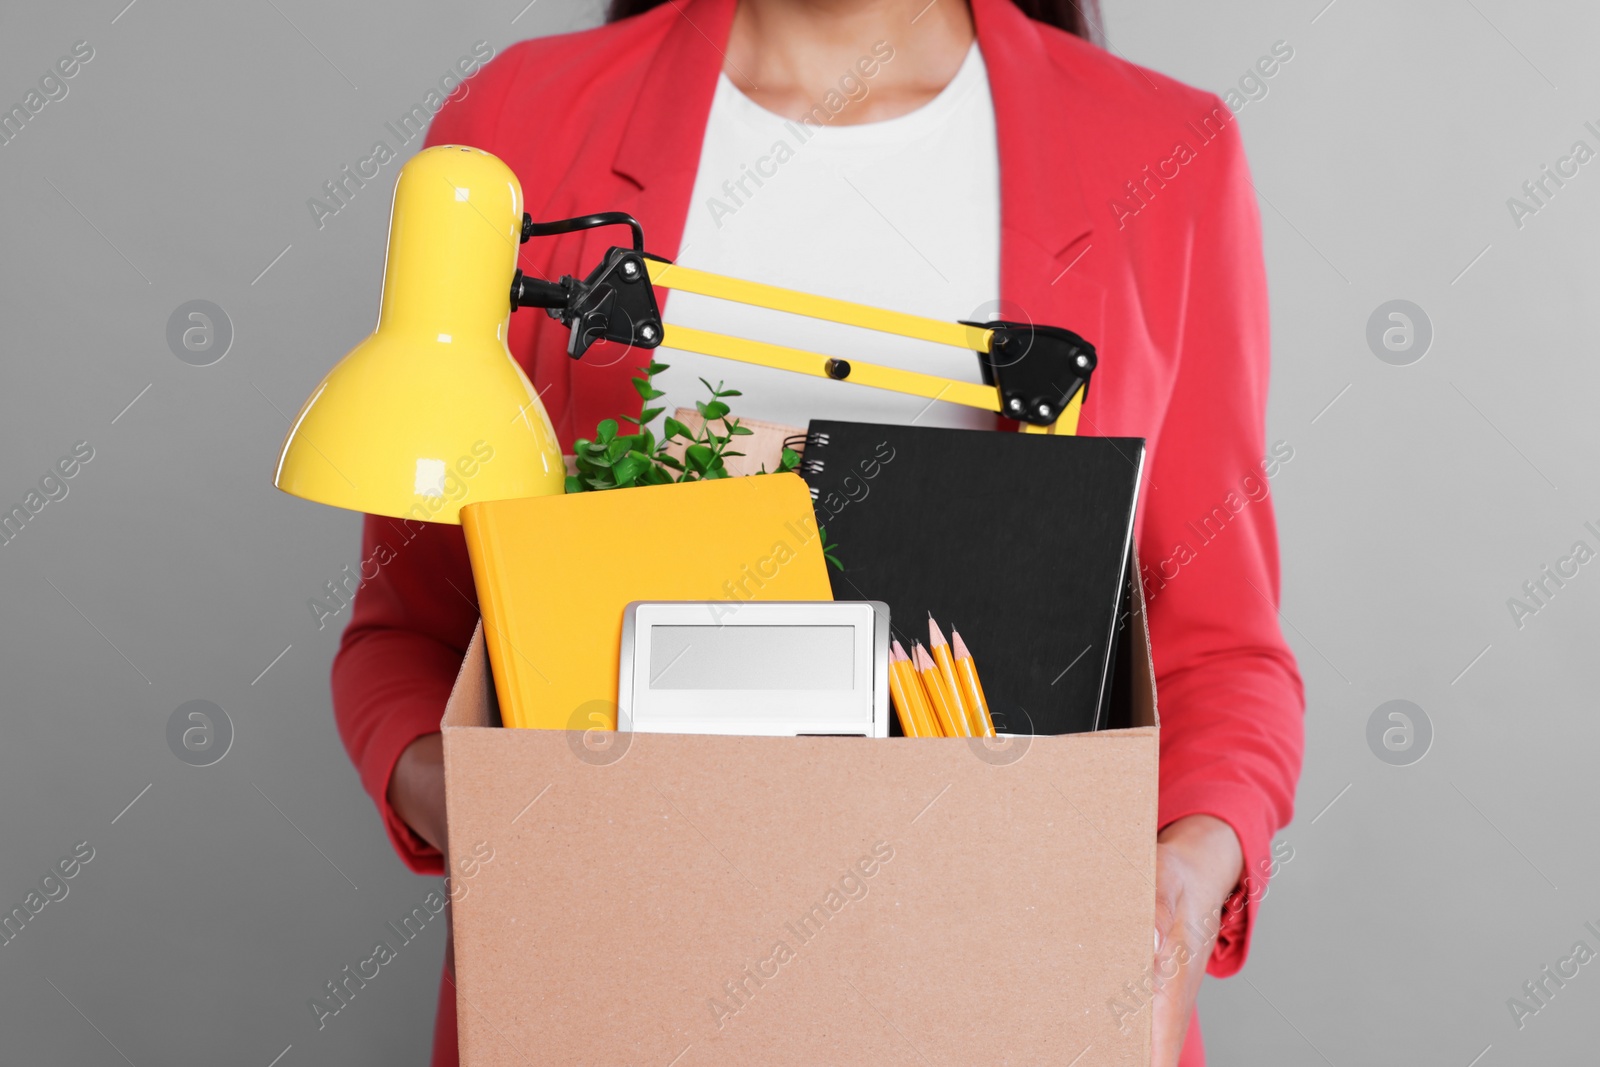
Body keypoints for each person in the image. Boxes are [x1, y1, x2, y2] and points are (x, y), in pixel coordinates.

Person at [331, 0, 1305, 1063]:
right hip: (622, 988)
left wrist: (1186, 874)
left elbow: (1218, 650)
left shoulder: (1165, 153)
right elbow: (411, 631)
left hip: (1002, 987)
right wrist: (505, 822)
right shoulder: (521, 120)